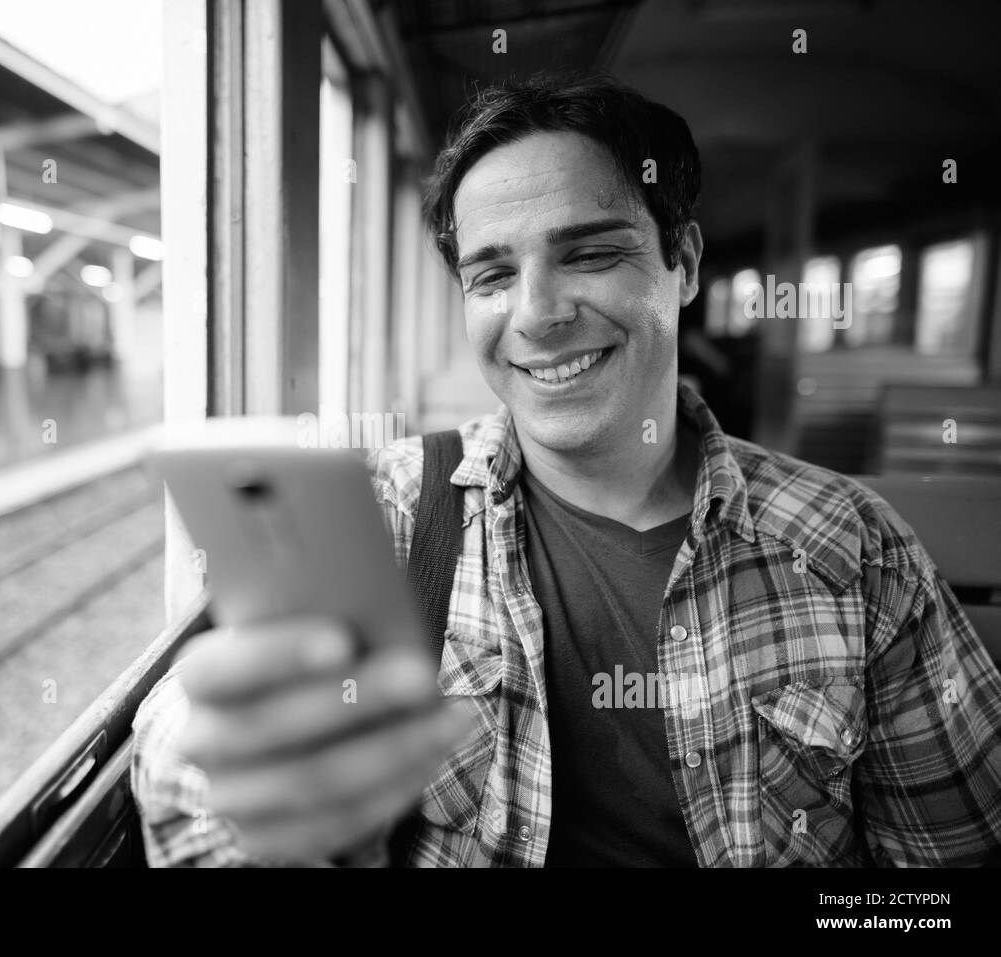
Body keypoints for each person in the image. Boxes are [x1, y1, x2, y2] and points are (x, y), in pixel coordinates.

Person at [131, 74, 1001, 867]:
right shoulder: (392, 510)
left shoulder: (851, 548)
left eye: (589, 253)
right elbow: (184, 743)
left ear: (683, 262)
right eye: (493, 274)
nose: (538, 314)